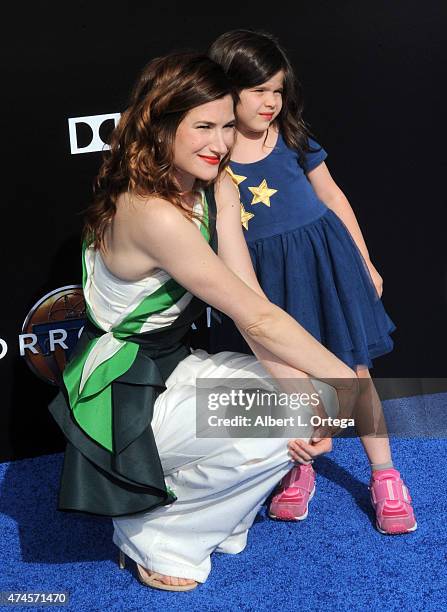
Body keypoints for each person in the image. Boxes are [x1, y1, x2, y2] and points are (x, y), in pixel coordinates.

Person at [48, 52, 359, 592]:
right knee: (299, 409)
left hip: (172, 369)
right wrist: (350, 388)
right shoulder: (152, 213)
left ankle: (193, 509)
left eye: (226, 126)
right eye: (204, 127)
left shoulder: (214, 186)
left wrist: (320, 398)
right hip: (121, 395)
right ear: (162, 125)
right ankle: (151, 529)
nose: (220, 142)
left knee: (303, 404)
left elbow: (252, 302)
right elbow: (258, 320)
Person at [208, 30, 417, 534]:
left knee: (352, 372)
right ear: (227, 88)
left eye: (277, 91)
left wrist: (364, 260)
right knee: (288, 379)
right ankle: (300, 468)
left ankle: (385, 475)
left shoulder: (294, 136)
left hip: (326, 267)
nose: (271, 102)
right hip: (266, 283)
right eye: (259, 90)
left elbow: (333, 197)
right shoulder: (213, 155)